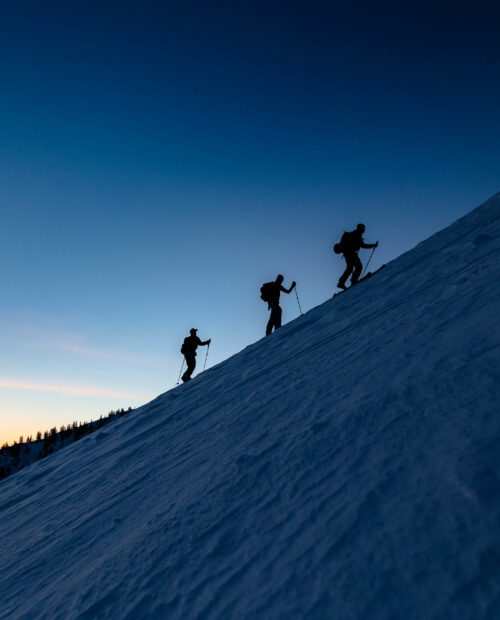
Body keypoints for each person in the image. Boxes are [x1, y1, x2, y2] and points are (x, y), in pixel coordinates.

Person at [337, 223, 378, 289]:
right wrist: (372, 245)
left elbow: (361, 245)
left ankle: (341, 283)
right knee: (358, 266)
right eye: (363, 228)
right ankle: (353, 281)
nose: (364, 230)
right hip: (351, 253)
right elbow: (363, 245)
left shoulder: (354, 234)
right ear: (360, 228)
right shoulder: (357, 235)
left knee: (350, 268)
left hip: (347, 253)